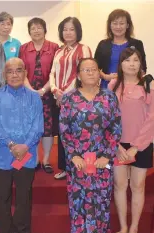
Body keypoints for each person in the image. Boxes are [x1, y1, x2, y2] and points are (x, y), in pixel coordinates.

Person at [59, 58, 122, 233]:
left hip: (102, 160)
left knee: (101, 202)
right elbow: (64, 130)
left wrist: (107, 156)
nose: (91, 73)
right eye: (86, 70)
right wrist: (74, 155)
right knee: (79, 202)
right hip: (78, 161)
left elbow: (115, 128)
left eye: (94, 69)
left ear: (99, 74)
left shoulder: (109, 96)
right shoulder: (69, 98)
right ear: (78, 75)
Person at [0, 58, 44, 233]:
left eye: (18, 70)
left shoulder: (35, 97)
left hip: (26, 157)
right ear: (4, 75)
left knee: (23, 199)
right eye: (10, 71)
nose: (14, 75)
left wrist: (25, 146)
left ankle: (22, 229)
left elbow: (38, 126)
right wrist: (11, 145)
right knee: (1, 198)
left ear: (25, 73)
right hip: (2, 156)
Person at [108, 48, 153, 233]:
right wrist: (116, 144)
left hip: (141, 143)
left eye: (136, 60)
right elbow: (107, 117)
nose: (132, 64)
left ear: (141, 63)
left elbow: (152, 118)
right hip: (118, 144)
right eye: (127, 60)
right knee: (119, 185)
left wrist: (136, 146)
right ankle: (123, 227)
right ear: (121, 64)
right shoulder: (112, 86)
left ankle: (134, 227)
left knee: (138, 185)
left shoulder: (148, 85)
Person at [49, 17, 92, 180]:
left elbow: (84, 73)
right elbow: (52, 72)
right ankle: (65, 167)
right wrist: (54, 89)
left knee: (77, 133)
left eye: (71, 29)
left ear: (78, 31)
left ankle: (79, 166)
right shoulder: (59, 51)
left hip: (76, 99)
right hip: (58, 97)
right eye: (65, 29)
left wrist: (65, 94)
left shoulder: (84, 49)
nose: (68, 32)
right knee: (62, 133)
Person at [19, 17, 59, 173]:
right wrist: (32, 91)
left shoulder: (54, 47)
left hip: (48, 94)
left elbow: (55, 73)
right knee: (32, 127)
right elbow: (21, 71)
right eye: (33, 28)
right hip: (28, 94)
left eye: (39, 27)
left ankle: (47, 159)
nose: (36, 30)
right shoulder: (23, 48)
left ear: (45, 29)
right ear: (29, 31)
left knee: (47, 128)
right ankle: (35, 159)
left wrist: (43, 90)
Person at [95, 9, 147, 89]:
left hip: (131, 88)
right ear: (110, 25)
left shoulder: (137, 44)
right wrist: (106, 77)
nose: (118, 27)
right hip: (106, 88)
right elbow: (95, 67)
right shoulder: (103, 44)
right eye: (115, 23)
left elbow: (143, 68)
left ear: (127, 25)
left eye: (122, 23)